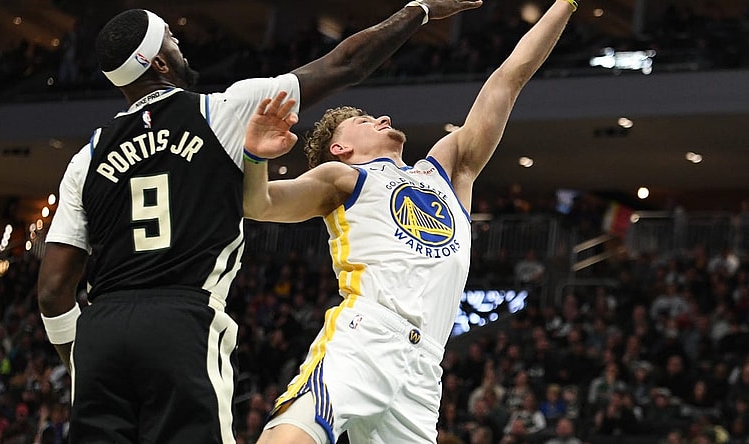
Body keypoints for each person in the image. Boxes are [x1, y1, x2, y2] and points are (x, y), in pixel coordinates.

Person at [35, 2, 483, 444]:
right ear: (157, 62)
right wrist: (418, 11)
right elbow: (346, 63)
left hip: (100, 329)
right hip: (180, 319)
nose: (180, 45)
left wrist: (81, 358)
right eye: (171, 39)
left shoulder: (86, 157)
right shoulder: (224, 109)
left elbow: (53, 290)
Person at [240, 0, 579, 442]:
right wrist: (253, 157)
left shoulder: (445, 170)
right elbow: (260, 203)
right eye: (363, 120)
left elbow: (508, 79)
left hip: (424, 367)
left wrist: (565, 4)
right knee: (296, 433)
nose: (382, 117)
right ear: (340, 149)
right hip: (368, 336)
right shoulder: (343, 177)